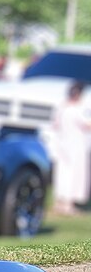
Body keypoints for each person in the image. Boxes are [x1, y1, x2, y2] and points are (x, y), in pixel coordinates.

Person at [51, 82, 90, 216]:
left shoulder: (61, 107)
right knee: (73, 174)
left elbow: (55, 125)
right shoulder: (76, 109)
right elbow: (86, 125)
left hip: (62, 143)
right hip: (75, 144)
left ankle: (60, 201)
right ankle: (68, 203)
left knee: (62, 172)